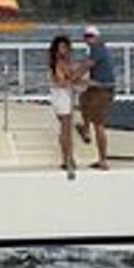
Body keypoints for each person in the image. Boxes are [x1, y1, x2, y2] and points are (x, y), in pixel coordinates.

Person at [47, 34, 88, 171]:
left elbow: (67, 79)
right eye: (62, 47)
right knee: (66, 130)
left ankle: (67, 158)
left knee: (65, 129)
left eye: (66, 47)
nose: (64, 50)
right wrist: (77, 83)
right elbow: (61, 81)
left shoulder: (62, 62)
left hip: (62, 96)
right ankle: (68, 159)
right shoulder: (59, 63)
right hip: (62, 97)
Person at [79, 25, 115, 170]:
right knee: (83, 98)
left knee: (99, 124)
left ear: (97, 37)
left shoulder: (97, 50)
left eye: (91, 36)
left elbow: (86, 66)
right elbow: (85, 66)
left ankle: (103, 160)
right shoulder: (98, 49)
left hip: (102, 89)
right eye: (86, 36)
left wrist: (71, 77)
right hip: (97, 87)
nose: (88, 39)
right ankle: (85, 129)